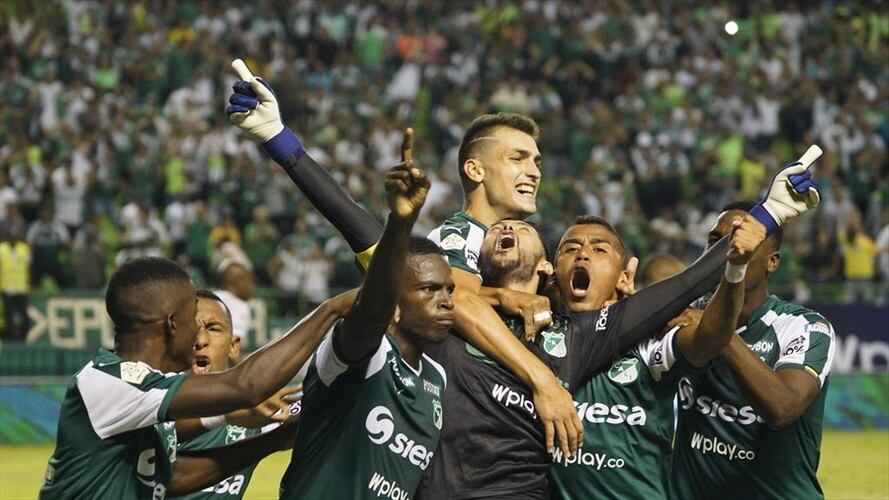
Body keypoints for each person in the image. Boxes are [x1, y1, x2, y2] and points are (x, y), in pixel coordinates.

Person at [226, 62, 580, 457]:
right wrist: (542, 379)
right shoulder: (458, 236)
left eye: (537, 162)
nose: (533, 172)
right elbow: (456, 298)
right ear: (475, 169)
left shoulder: (525, 252)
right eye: (518, 159)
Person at [39, 257, 357, 499]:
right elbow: (246, 386)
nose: (198, 335)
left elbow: (172, 477)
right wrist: (332, 310)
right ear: (172, 323)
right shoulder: (109, 384)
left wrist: (272, 439)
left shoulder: (139, 394)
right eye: (194, 317)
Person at [279, 158, 455, 499]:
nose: (446, 301)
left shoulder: (436, 378)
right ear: (395, 304)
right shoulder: (363, 353)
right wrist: (400, 222)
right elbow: (371, 312)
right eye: (430, 290)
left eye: (449, 290)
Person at [670, 201, 836, 500]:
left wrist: (717, 331)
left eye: (742, 240)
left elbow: (782, 407)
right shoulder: (682, 317)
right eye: (714, 241)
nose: (726, 251)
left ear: (772, 262)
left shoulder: (804, 327)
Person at [169, 289, 297, 500]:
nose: (200, 340)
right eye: (190, 327)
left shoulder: (256, 407)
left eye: (212, 328)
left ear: (233, 347)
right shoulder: (147, 404)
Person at [0, 226, 31, 341]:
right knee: (9, 319)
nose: (13, 238)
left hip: (21, 288)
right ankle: (10, 340)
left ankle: (23, 340)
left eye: (15, 236)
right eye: (11, 236)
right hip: (6, 288)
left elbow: (28, 268)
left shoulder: (24, 249)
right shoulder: (1, 249)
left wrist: (29, 283)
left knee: (25, 319)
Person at [214, 258, 255, 341]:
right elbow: (233, 342)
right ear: (236, 281)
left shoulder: (210, 297)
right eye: (248, 280)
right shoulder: (237, 304)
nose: (251, 286)